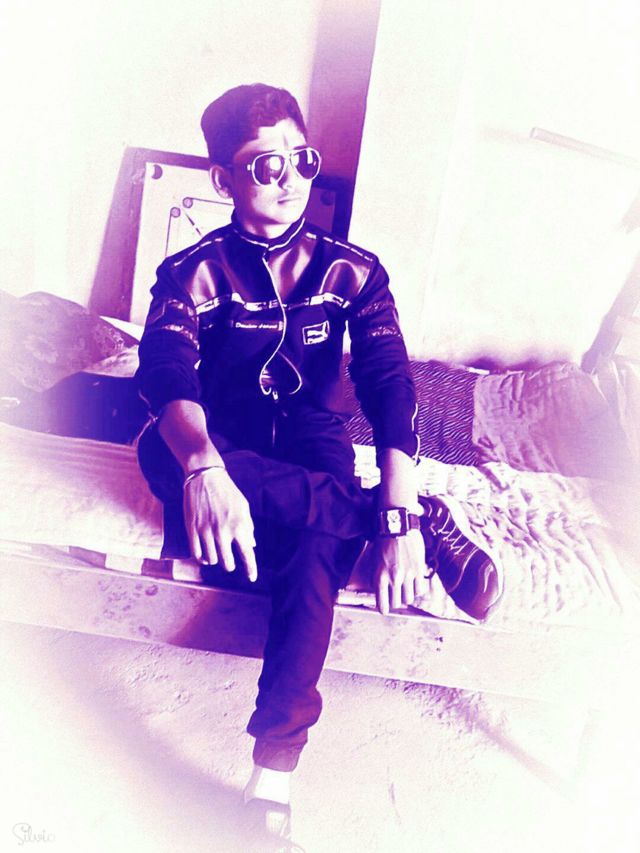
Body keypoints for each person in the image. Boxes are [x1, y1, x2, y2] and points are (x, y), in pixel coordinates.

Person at [135, 83, 502, 852]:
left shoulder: (353, 271)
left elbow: (390, 384)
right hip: (222, 442)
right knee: (161, 452)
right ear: (223, 180)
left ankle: (272, 776)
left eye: (301, 160)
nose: (289, 179)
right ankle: (397, 518)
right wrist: (204, 467)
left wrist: (398, 500)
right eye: (263, 165)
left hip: (313, 440)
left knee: (314, 547)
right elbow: (166, 370)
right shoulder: (188, 273)